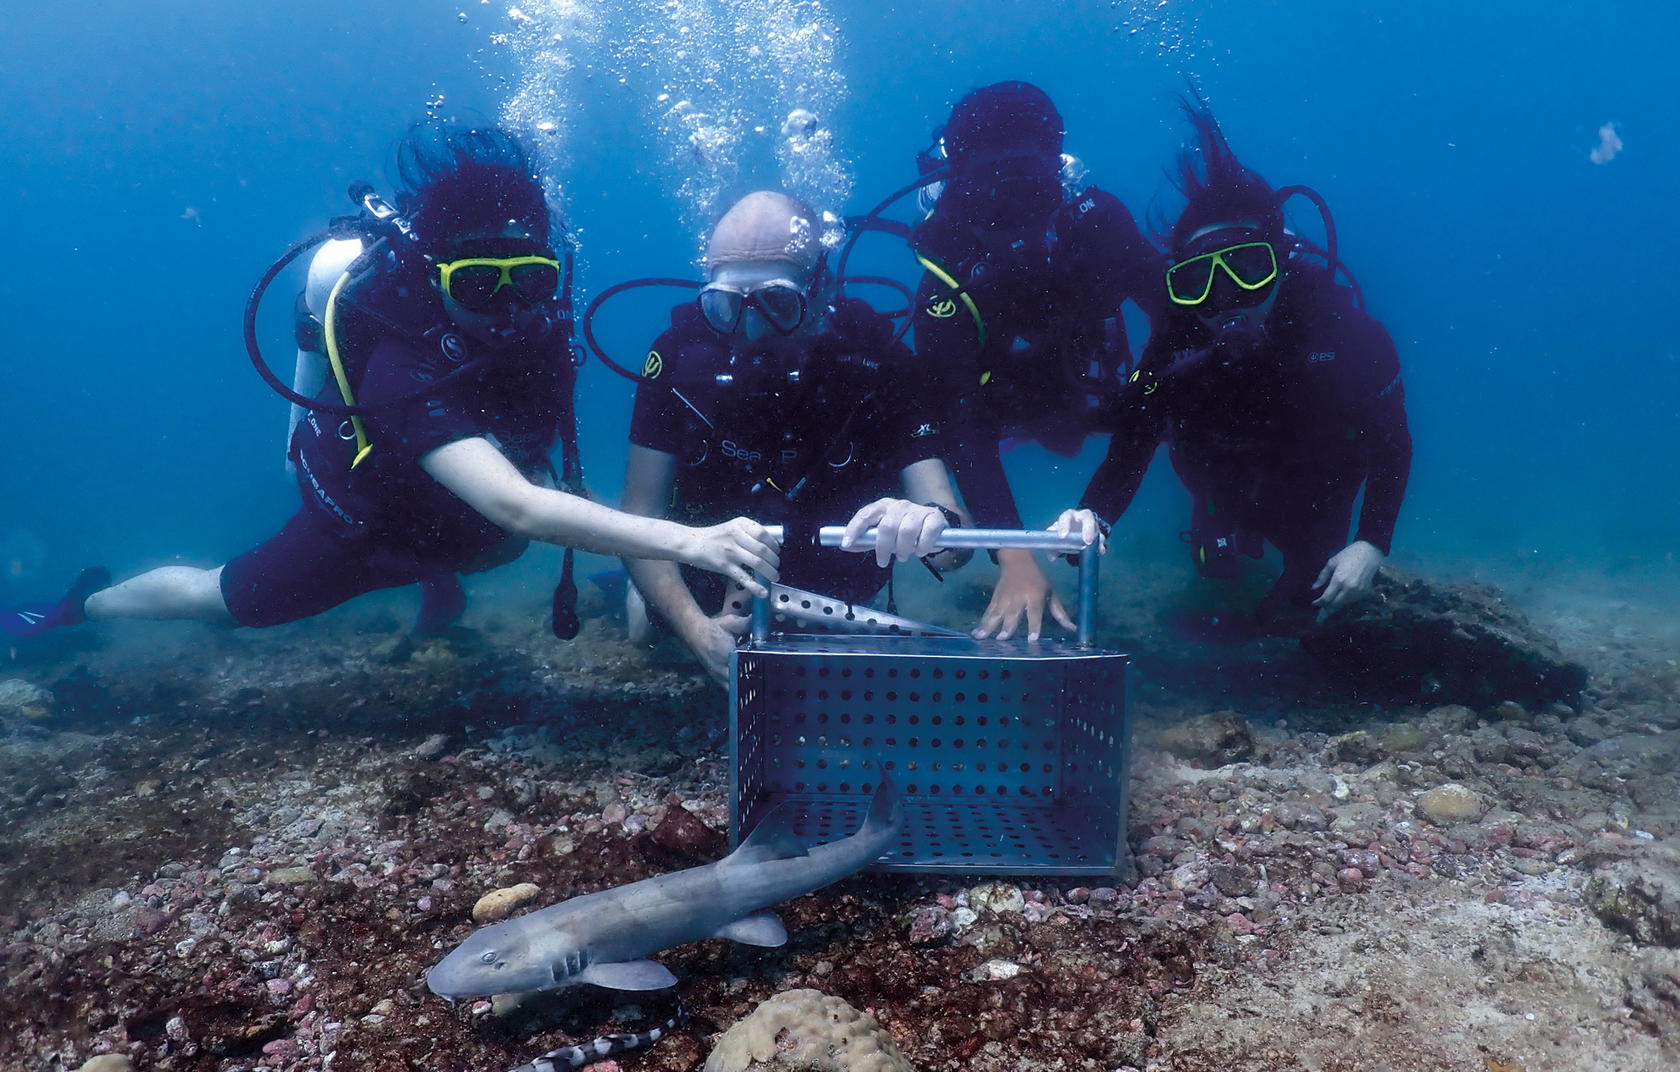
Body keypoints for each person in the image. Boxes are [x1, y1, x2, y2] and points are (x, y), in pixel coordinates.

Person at [1, 125, 778, 644]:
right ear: (435, 276)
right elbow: (516, 501)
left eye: (530, 280)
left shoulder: (540, 327)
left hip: (464, 522)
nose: (511, 309)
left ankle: (438, 585)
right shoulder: (399, 360)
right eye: (480, 285)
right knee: (221, 601)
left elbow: (525, 480)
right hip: (367, 529)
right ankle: (79, 606)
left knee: (498, 542)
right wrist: (693, 542)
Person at [1057, 96, 1412, 635]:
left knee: (1313, 595)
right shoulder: (1175, 343)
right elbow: (1130, 447)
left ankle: (1298, 553)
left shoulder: (1350, 336)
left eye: (1248, 267)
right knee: (1214, 567)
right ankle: (1216, 524)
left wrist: (1371, 544)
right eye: (1200, 280)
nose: (1227, 297)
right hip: (1217, 478)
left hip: (1315, 483)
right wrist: (1092, 516)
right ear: (1181, 286)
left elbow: (1392, 443)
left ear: (1281, 262)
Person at [621, 190, 969, 686]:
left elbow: (954, 548)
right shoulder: (678, 358)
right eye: (725, 306)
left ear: (819, 285)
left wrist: (928, 523)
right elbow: (640, 514)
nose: (753, 329)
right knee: (647, 632)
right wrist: (694, 629)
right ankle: (648, 602)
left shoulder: (879, 362)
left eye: (777, 302)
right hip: (706, 580)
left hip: (833, 590)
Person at [909, 81, 1162, 640]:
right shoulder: (946, 277)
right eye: (989, 185)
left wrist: (1100, 510)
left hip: (1084, 397)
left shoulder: (1097, 228)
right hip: (996, 410)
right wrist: (1013, 554)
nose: (1013, 205)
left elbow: (1175, 334)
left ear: (1055, 169)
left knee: (1184, 385)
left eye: (1026, 182)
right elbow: (959, 417)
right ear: (960, 185)